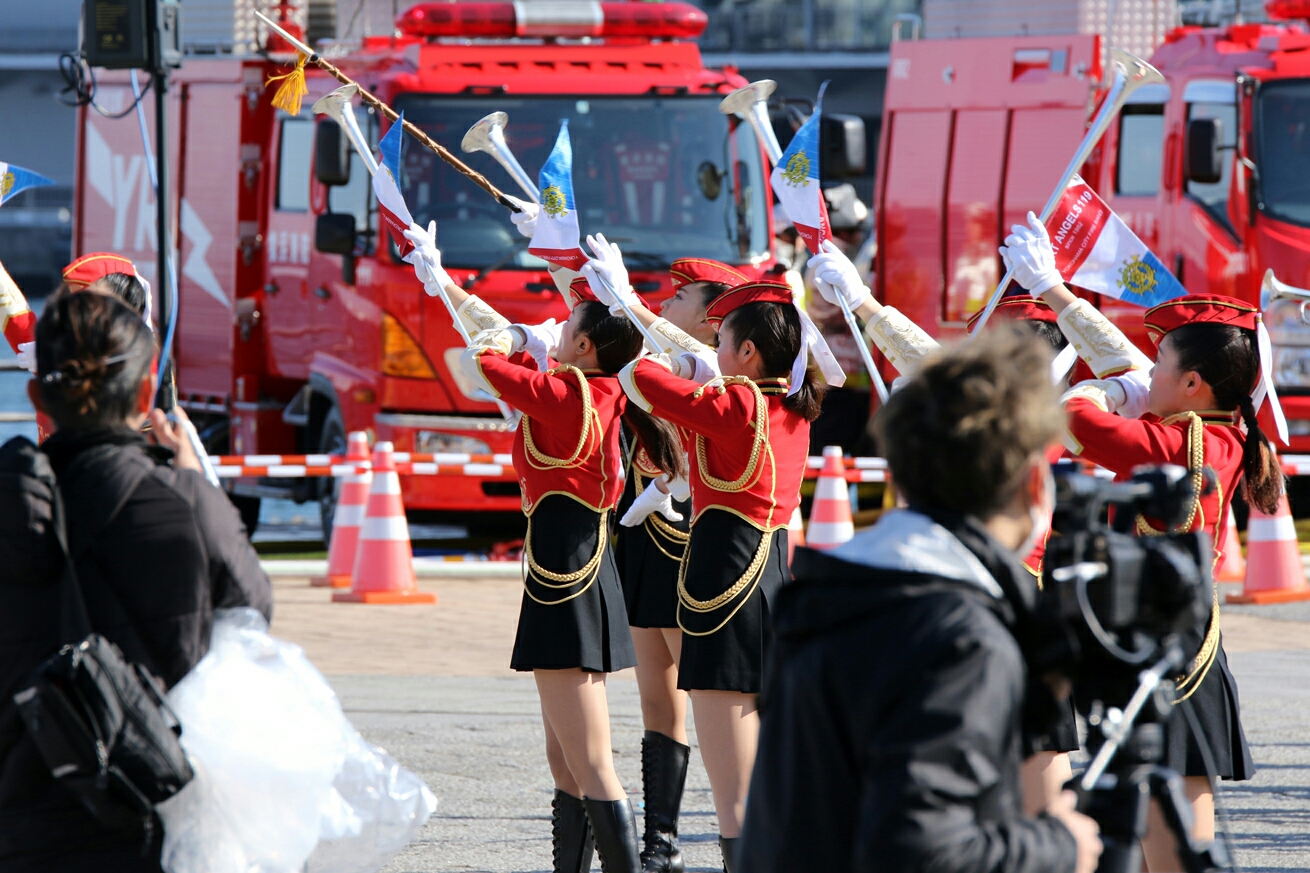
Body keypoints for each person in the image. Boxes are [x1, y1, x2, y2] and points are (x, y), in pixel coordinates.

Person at [737, 326, 1102, 873]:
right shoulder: (964, 636)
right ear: (1034, 486)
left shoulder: (828, 590)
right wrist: (1061, 845)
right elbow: (921, 848)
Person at [403, 221, 681, 873]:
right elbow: (500, 346)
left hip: (567, 578)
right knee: (565, 759)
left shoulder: (569, 396)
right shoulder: (589, 388)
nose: (553, 333)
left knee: (590, 761)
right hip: (568, 573)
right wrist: (441, 278)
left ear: (583, 344)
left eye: (563, 328)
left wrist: (488, 319)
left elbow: (487, 361)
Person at [1002, 213, 1270, 870]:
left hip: (1170, 659)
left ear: (1193, 387)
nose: (1147, 376)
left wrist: (1102, 389)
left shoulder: (1179, 444)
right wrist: (1058, 291)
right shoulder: (1209, 431)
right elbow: (1129, 364)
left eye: (1161, 368)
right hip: (1160, 647)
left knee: (1174, 854)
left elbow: (1075, 416)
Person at [0, 291, 272, 872]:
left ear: (36, 394)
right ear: (146, 396)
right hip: (146, 812)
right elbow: (252, 614)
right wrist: (196, 482)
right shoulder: (188, 506)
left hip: (17, 818)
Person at [616, 279, 833, 871]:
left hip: (725, 582)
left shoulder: (739, 406)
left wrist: (683, 362)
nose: (712, 353)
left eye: (720, 342)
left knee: (734, 793)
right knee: (765, 776)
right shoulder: (791, 407)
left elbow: (637, 379)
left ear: (747, 354)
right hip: (772, 579)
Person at [605, 256, 747, 873]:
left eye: (683, 295)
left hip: (700, 549)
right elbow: (596, 318)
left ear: (716, 313)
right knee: (657, 698)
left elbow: (692, 363)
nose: (666, 301)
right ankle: (661, 840)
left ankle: (745, 834)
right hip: (645, 541)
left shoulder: (719, 372)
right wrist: (568, 268)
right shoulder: (660, 354)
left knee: (722, 705)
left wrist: (629, 300)